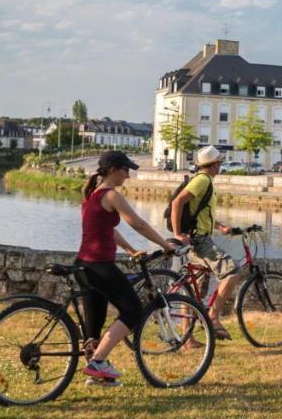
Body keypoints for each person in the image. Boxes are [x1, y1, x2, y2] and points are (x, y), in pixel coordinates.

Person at [76, 150, 177, 386]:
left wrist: (131, 250)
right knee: (133, 311)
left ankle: (97, 374)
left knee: (95, 323)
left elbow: (106, 229)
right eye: (126, 170)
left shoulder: (91, 195)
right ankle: (98, 362)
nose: (128, 176)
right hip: (100, 265)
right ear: (113, 170)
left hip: (84, 264)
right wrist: (166, 245)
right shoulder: (111, 195)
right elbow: (139, 224)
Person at [170, 146, 242, 340]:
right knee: (233, 272)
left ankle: (187, 338)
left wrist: (220, 227)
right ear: (215, 164)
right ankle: (213, 316)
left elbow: (200, 212)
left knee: (194, 291)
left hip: (199, 238)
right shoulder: (202, 180)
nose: (221, 166)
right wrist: (177, 233)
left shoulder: (203, 180)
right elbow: (178, 202)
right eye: (220, 162)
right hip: (200, 241)